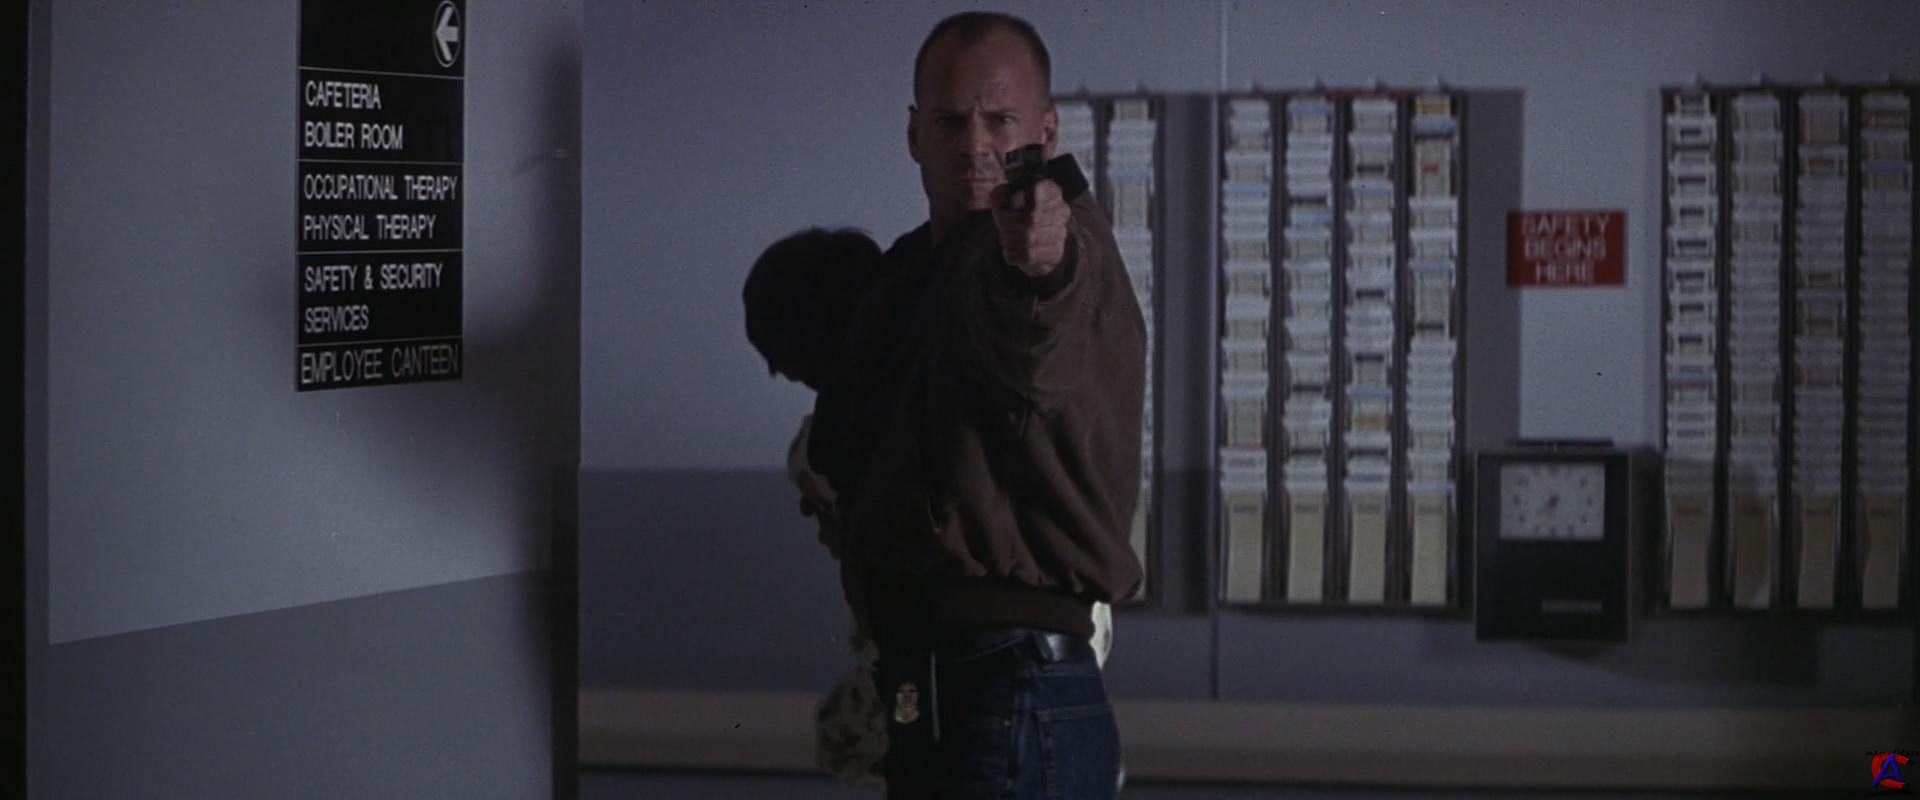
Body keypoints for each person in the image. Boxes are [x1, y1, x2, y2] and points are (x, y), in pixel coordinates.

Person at [806, 11, 1145, 799]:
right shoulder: (922, 268)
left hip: (1009, 686)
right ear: (914, 133)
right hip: (956, 688)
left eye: (1000, 120)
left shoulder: (1046, 248)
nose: (975, 144)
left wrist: (1039, 264)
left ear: (1046, 132)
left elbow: (1037, 324)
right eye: (952, 121)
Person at [741, 226, 1120, 793]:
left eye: (786, 356)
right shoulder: (965, 398)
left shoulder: (861, 439)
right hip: (1053, 681)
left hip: (992, 688)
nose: (781, 372)